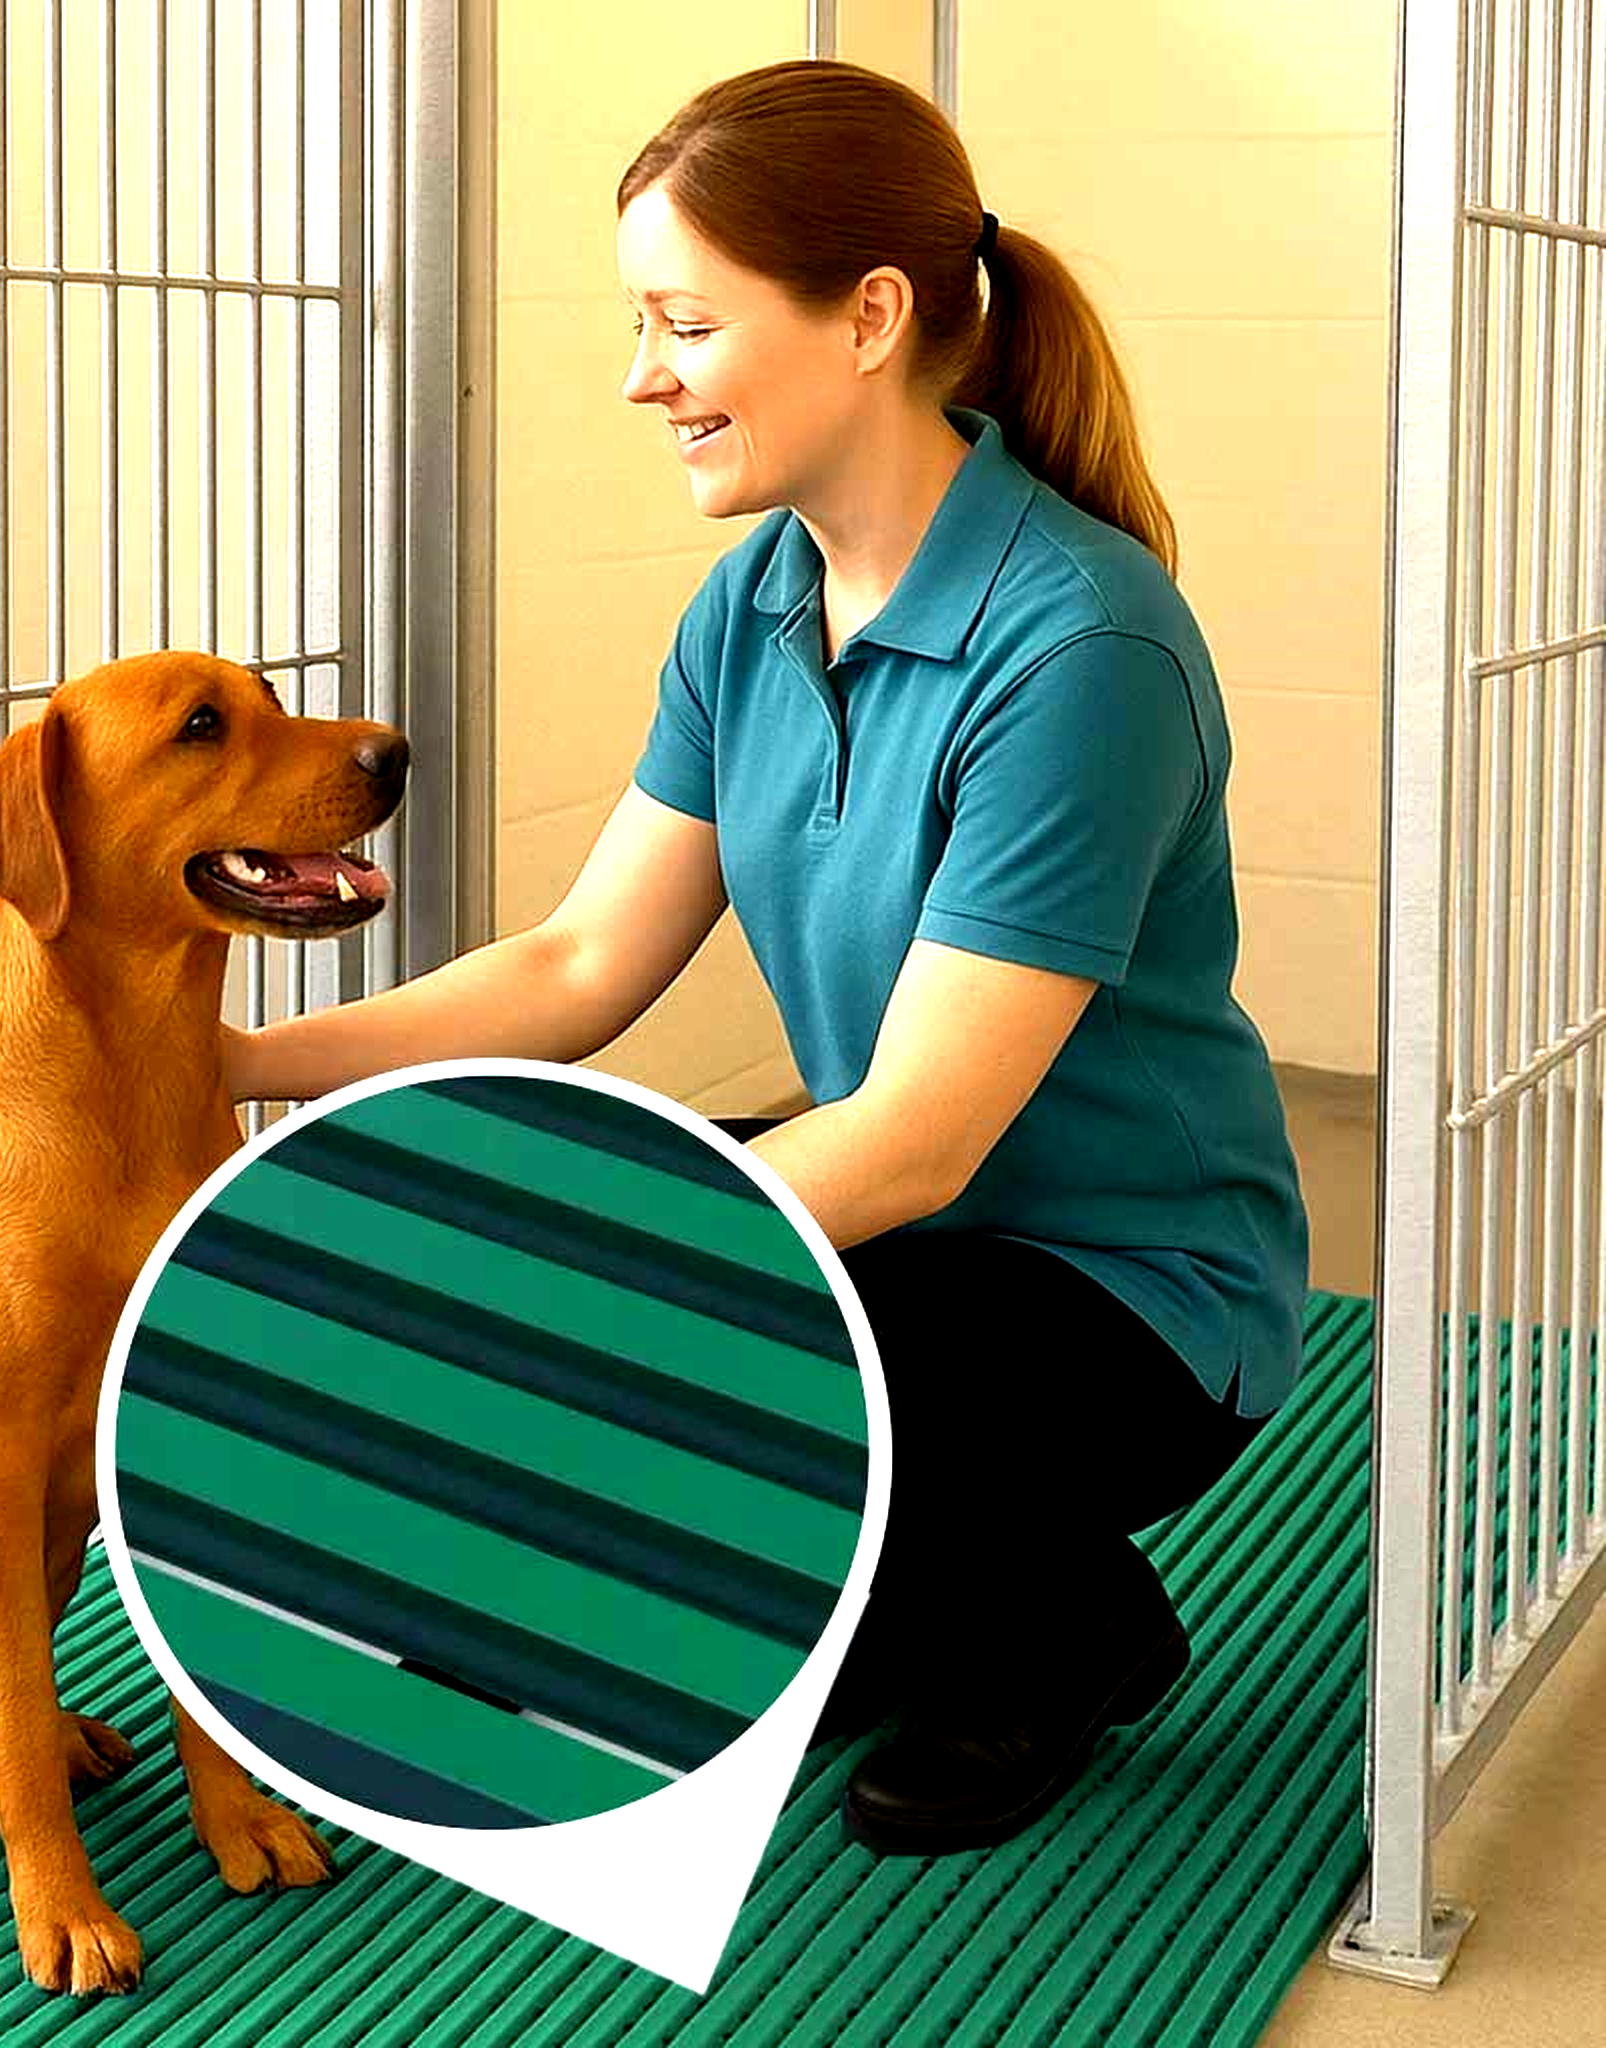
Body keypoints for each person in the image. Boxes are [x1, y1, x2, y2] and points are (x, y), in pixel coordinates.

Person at [220, 58, 1309, 1856]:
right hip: (910, 1231)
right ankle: (925, 1575)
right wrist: (236, 1067)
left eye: (685, 323)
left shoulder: (1083, 649)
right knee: (544, 1320)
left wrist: (601, 1298)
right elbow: (577, 964)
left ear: (870, 317)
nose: (643, 376)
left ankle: (1060, 1617)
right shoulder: (752, 601)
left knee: (668, 1363)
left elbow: (916, 1146)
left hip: (1124, 1295)